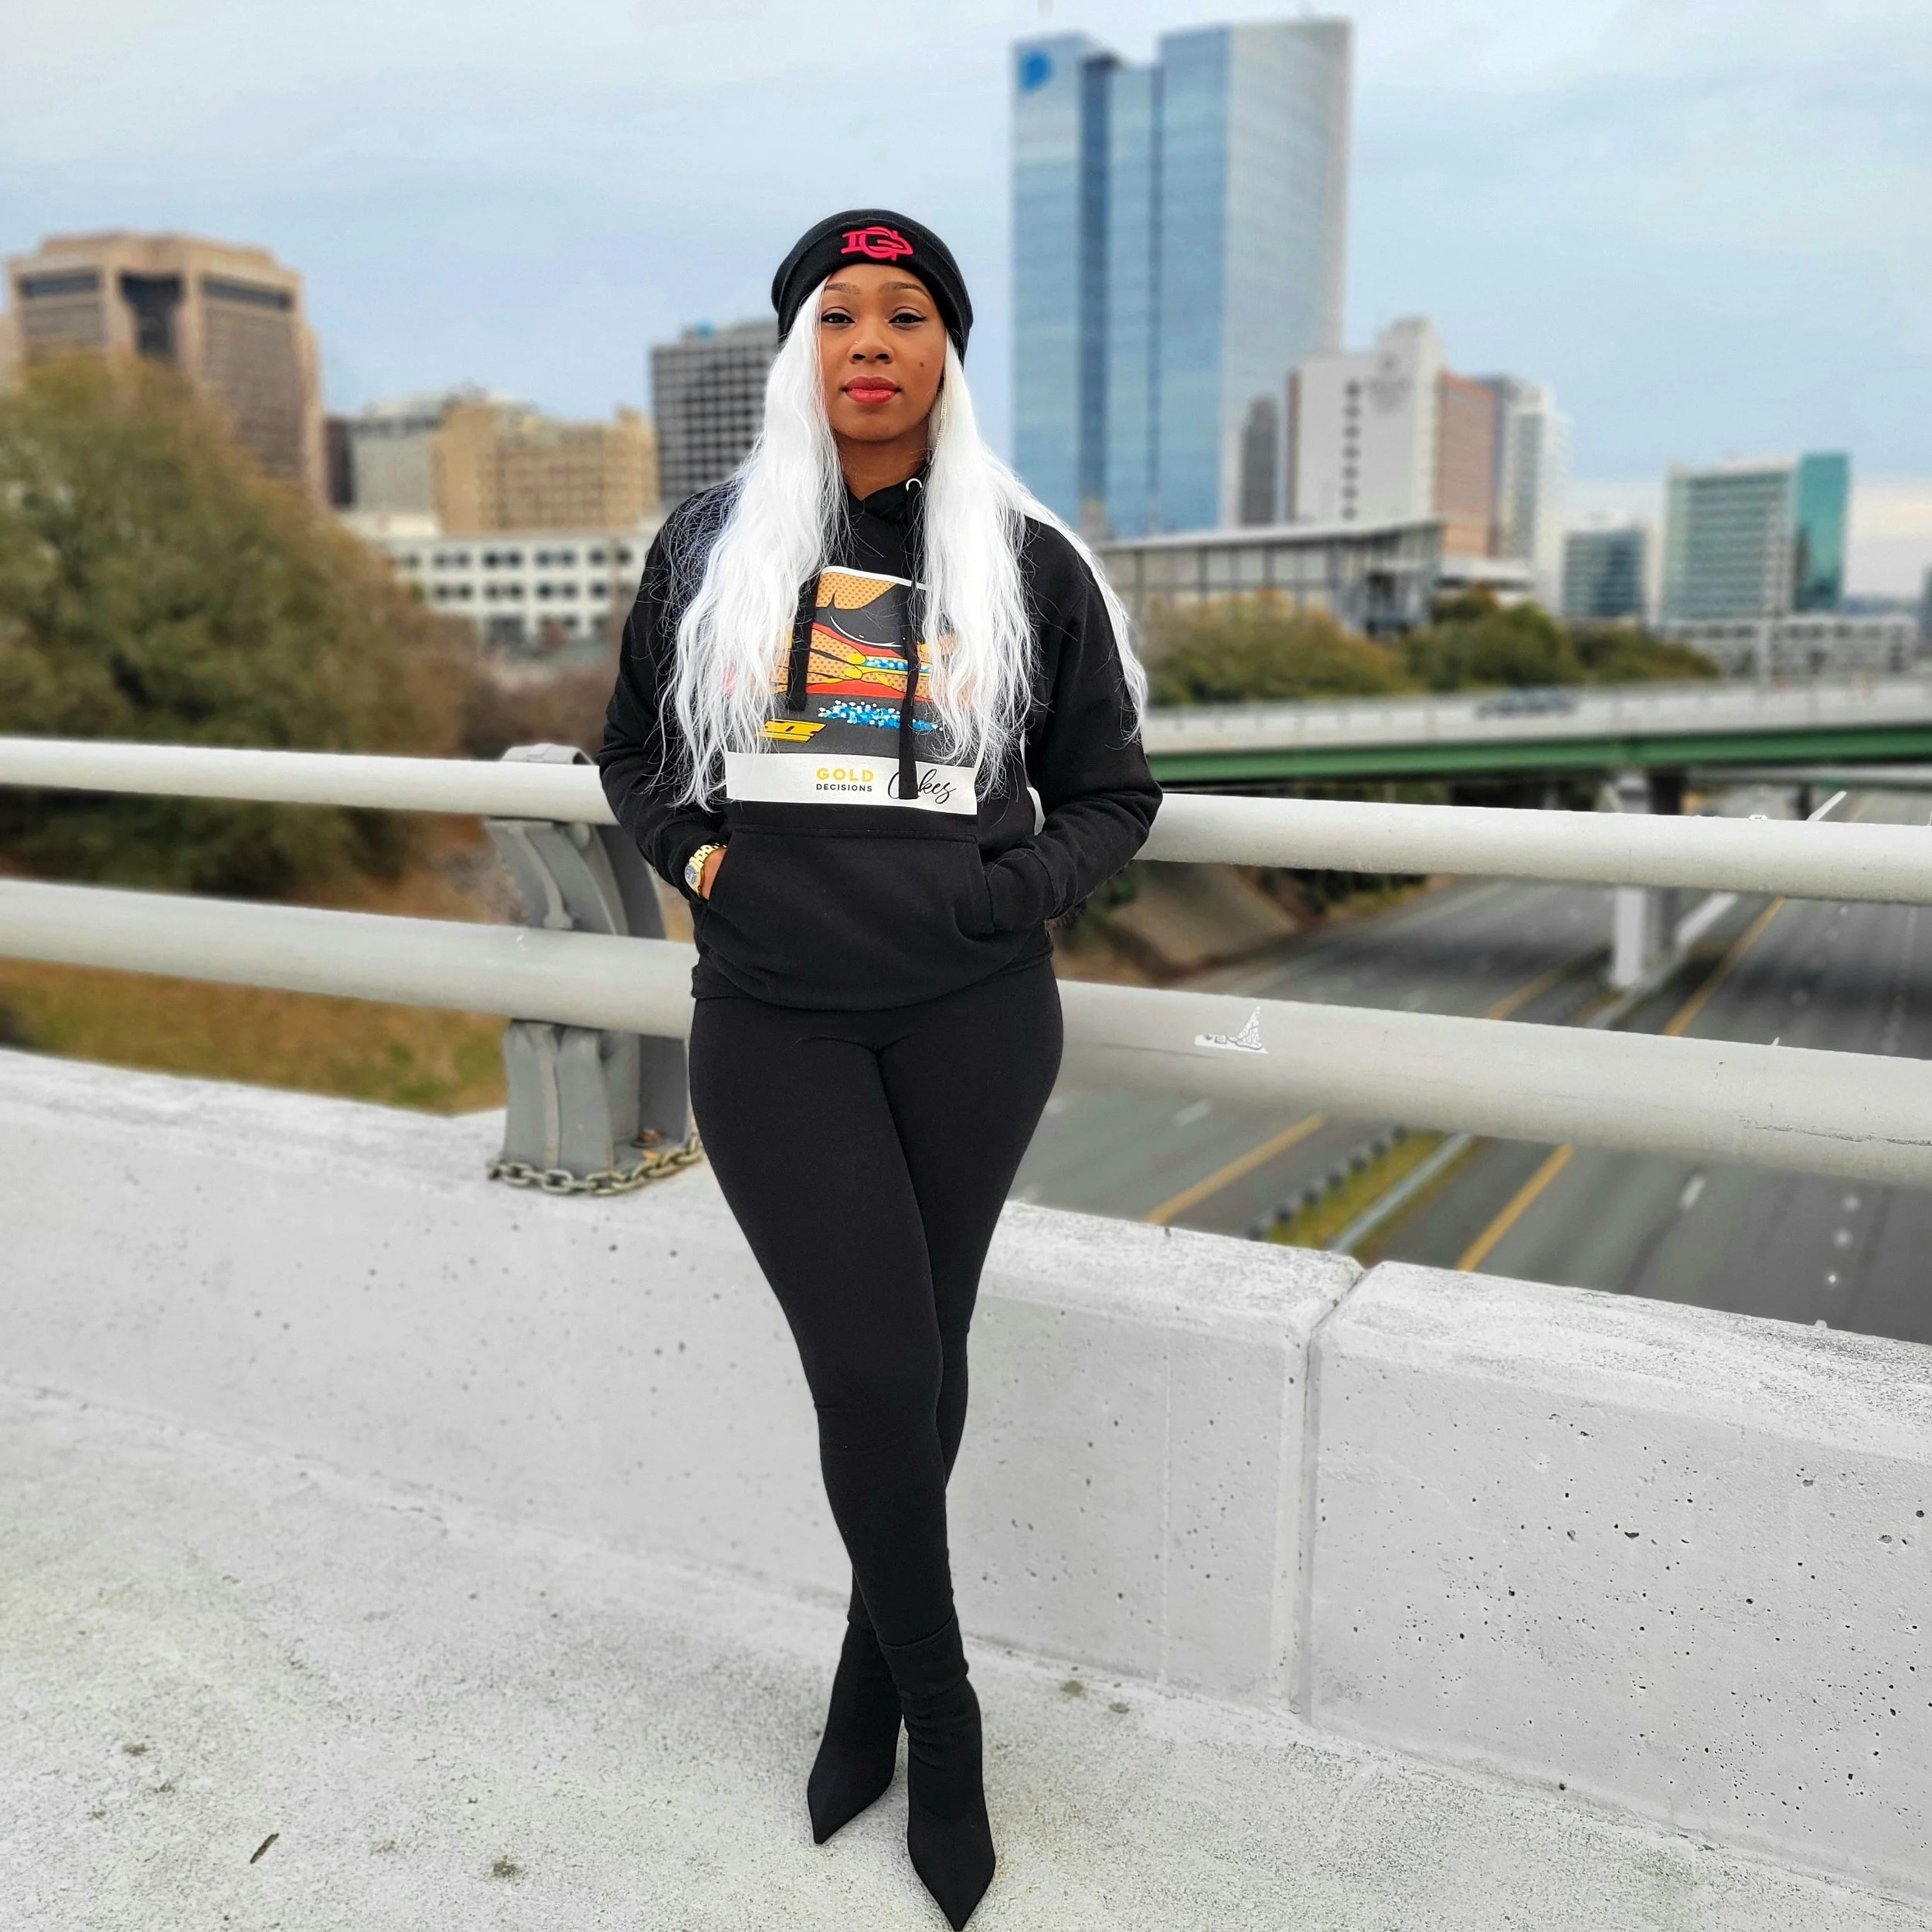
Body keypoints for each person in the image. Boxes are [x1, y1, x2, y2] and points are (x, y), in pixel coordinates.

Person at [598, 208, 1158, 1928]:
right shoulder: (708, 547)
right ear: (798, 352)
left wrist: (1011, 892)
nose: (869, 343)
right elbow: (632, 754)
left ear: (945, 354)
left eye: (904, 315)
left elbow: (1113, 792)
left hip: (973, 1016)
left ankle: (864, 1691)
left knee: (926, 1358)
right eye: (837, 315)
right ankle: (946, 1717)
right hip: (775, 1018)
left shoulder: (1025, 561)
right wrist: (705, 863)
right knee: (873, 1363)